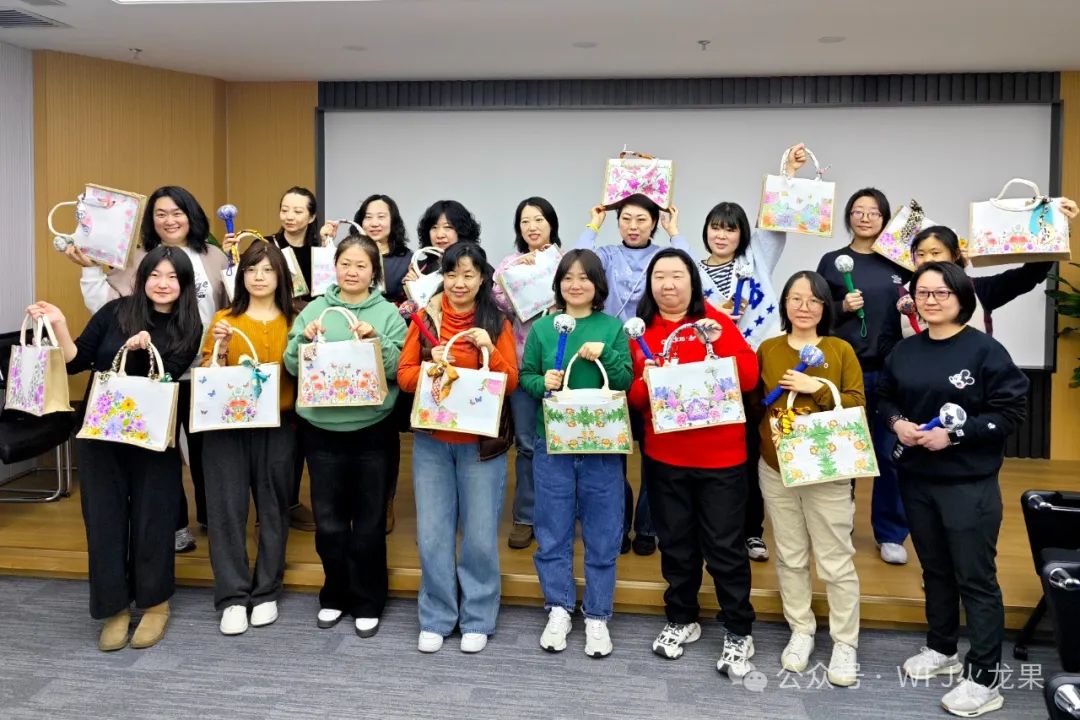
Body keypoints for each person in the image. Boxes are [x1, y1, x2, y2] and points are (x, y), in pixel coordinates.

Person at [28, 246, 203, 650]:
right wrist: (59, 323)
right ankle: (114, 607)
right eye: (154, 275)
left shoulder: (189, 324)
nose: (162, 284)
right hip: (99, 433)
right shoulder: (114, 312)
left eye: (172, 277)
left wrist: (144, 350)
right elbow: (76, 361)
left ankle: (155, 603)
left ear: (184, 284)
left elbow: (172, 372)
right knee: (103, 519)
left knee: (153, 517)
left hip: (151, 434)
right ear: (142, 279)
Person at [878, 261, 1028, 718]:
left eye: (941, 292)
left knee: (975, 579)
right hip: (917, 480)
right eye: (922, 292)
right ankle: (942, 648)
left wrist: (955, 436)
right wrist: (897, 423)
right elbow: (886, 396)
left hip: (968, 485)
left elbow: (1011, 412)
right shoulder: (905, 351)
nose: (930, 300)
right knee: (936, 570)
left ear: (961, 297)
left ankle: (985, 678)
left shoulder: (986, 351)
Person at [63, 185, 228, 554]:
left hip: (206, 371)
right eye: (160, 214)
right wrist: (90, 270)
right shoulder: (139, 258)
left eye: (177, 212)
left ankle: (210, 518)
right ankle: (175, 525)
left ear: (191, 215)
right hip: (154, 373)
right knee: (162, 451)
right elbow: (109, 309)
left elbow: (231, 304)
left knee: (208, 452)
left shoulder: (214, 255)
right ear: (151, 220)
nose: (170, 220)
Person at [626, 248, 759, 678]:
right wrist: (648, 381)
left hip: (722, 459)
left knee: (724, 547)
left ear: (692, 282)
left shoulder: (715, 324)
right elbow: (635, 399)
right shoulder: (641, 334)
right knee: (676, 544)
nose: (668, 284)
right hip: (665, 458)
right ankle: (682, 617)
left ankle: (738, 629)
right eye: (659, 276)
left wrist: (718, 343)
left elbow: (749, 377)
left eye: (677, 275)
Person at [397, 242, 518, 654]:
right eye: (451, 274)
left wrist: (489, 350)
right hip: (432, 443)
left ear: (482, 279)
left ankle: (478, 617)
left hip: (481, 447)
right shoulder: (426, 318)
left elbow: (511, 382)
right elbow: (404, 375)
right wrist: (431, 369)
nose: (459, 283)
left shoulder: (496, 321)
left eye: (468, 275)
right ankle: (436, 616)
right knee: (432, 534)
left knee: (480, 536)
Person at [283, 235, 407, 638]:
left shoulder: (387, 313)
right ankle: (334, 593)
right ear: (334, 267)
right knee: (330, 522)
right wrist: (304, 340)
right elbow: (291, 364)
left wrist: (376, 342)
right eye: (345, 264)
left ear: (375, 272)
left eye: (361, 265)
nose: (352, 272)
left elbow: (399, 369)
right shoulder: (315, 309)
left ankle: (369, 599)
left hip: (373, 430)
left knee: (369, 521)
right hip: (321, 432)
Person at [694, 142, 807, 562]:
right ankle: (714, 529)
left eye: (730, 229)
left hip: (759, 368)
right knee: (717, 453)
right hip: (714, 373)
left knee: (754, 449)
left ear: (742, 234)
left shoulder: (756, 259)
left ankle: (751, 532)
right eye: (715, 228)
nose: (722, 235)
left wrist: (788, 174)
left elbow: (774, 222)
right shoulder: (692, 271)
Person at [519, 249, 630, 657]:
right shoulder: (543, 329)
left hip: (602, 445)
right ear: (558, 284)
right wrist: (542, 382)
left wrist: (608, 354)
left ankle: (598, 614)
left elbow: (625, 380)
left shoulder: (612, 327)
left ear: (598, 285)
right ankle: (559, 607)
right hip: (553, 442)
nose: (575, 285)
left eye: (584, 278)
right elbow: (527, 377)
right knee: (552, 530)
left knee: (603, 532)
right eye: (568, 277)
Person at [757, 271, 864, 686]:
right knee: (790, 555)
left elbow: (855, 404)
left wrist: (814, 386)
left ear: (825, 307)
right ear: (784, 304)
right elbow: (757, 403)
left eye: (814, 300)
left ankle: (845, 641)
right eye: (795, 298)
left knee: (835, 559)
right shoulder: (768, 348)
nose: (804, 307)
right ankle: (801, 629)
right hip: (776, 468)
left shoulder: (840, 349)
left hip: (826, 468)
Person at [577, 195, 688, 555]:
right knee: (614, 454)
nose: (633, 226)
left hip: (655, 358)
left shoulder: (663, 256)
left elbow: (690, 275)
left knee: (656, 452)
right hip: (613, 359)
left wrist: (675, 233)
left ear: (654, 222)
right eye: (626, 218)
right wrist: (593, 225)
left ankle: (648, 528)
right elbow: (578, 263)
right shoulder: (608, 255)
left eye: (642, 219)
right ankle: (619, 525)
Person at [200, 240, 297, 635]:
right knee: (226, 510)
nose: (259, 277)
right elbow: (208, 372)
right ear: (241, 277)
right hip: (226, 428)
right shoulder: (224, 318)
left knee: (273, 508)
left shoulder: (295, 319)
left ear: (281, 276)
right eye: (252, 270)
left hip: (280, 426)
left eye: (268, 270)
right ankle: (232, 596)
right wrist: (221, 348)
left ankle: (267, 589)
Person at [816, 188, 912, 565]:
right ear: (848, 217)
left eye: (874, 212)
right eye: (858, 211)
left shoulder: (902, 261)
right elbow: (816, 312)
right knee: (844, 453)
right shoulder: (832, 261)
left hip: (891, 372)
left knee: (889, 453)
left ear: (885, 219)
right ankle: (839, 525)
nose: (865, 217)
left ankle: (891, 533)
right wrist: (841, 305)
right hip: (845, 372)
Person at [224, 186, 322, 532]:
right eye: (285, 209)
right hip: (273, 325)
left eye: (298, 210)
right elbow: (241, 287)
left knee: (297, 429)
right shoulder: (265, 247)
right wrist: (231, 258)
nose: (290, 216)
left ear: (311, 216)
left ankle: (286, 503)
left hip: (308, 332)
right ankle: (269, 511)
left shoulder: (323, 251)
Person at [492, 196, 563, 550]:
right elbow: (497, 302)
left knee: (563, 443)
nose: (532, 227)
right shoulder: (509, 264)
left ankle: (559, 515)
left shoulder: (566, 261)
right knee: (526, 445)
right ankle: (525, 516)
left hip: (563, 369)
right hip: (523, 366)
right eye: (525, 221)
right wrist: (516, 275)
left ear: (551, 224)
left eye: (539, 220)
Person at [902, 205, 1078, 336]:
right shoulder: (902, 293)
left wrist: (1058, 230)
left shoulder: (978, 289)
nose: (927, 260)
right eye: (921, 254)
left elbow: (1028, 276)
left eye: (935, 253)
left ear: (955, 255)